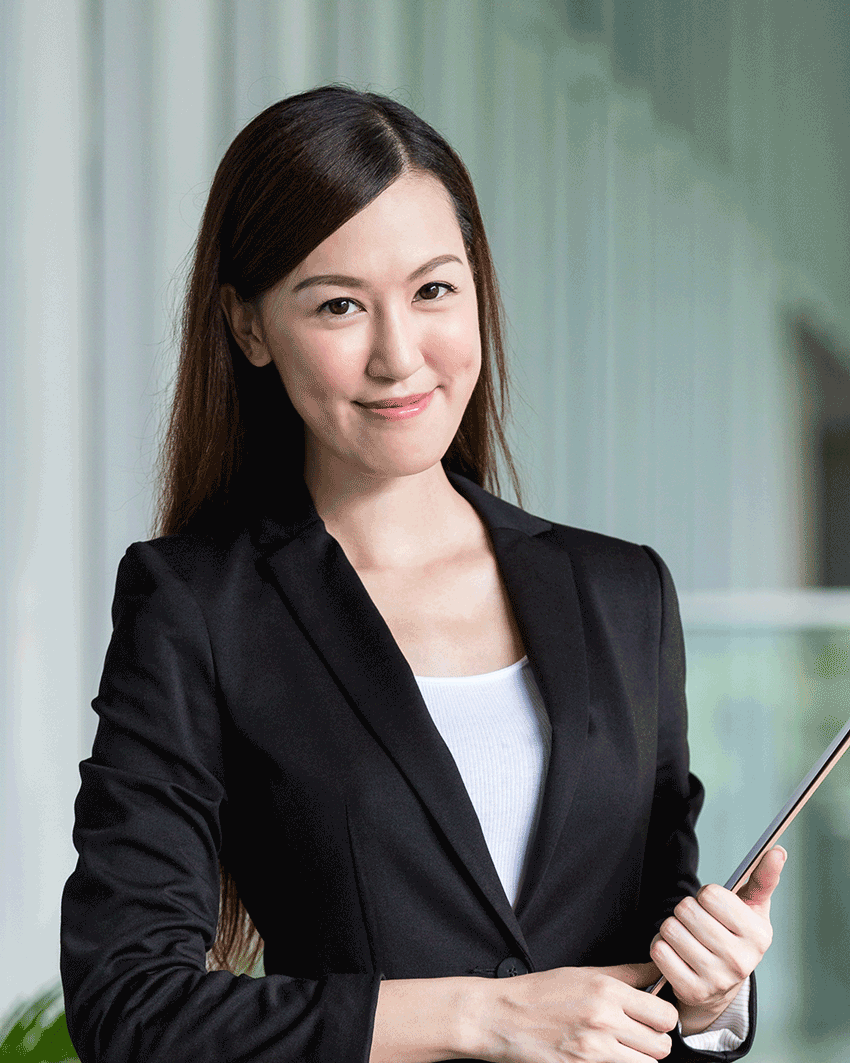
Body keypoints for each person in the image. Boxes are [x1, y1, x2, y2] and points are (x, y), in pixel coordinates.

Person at [60, 84, 784, 1063]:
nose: (399, 355)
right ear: (249, 328)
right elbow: (132, 1009)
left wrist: (710, 997)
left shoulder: (622, 595)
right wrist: (477, 1017)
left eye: (434, 289)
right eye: (339, 305)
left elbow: (645, 961)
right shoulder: (199, 604)